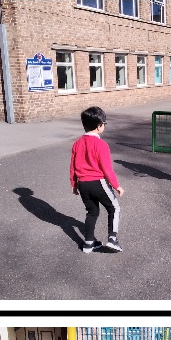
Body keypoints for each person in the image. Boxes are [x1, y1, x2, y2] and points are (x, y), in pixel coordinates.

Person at [70, 105, 123, 253]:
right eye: (104, 124)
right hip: (98, 182)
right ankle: (112, 238)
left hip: (83, 184)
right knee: (114, 208)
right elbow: (107, 168)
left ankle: (88, 244)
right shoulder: (101, 144)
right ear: (99, 126)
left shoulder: (77, 143)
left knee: (92, 212)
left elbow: (73, 166)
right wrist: (116, 185)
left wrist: (74, 184)